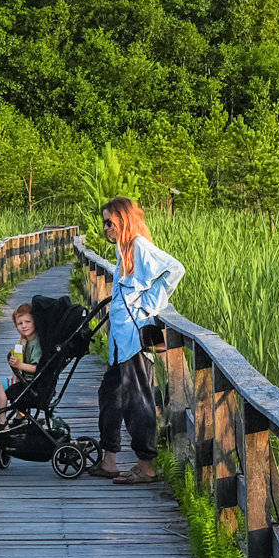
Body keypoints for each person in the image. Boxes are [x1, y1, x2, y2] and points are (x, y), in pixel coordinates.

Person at [92, 197, 184, 485]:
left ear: (124, 220)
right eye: (104, 222)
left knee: (137, 402)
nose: (105, 227)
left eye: (110, 222)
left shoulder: (140, 247)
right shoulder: (124, 252)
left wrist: (149, 304)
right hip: (120, 341)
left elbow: (175, 269)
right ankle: (109, 461)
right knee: (110, 396)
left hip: (134, 339)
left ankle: (146, 466)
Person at [0, 301, 41, 409]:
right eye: (19, 324)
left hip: (31, 383)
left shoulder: (36, 343)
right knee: (12, 387)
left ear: (35, 322)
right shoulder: (26, 341)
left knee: (0, 385)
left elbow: (37, 368)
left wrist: (19, 365)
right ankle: (21, 419)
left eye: (27, 321)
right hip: (28, 381)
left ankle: (1, 421)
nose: (24, 326)